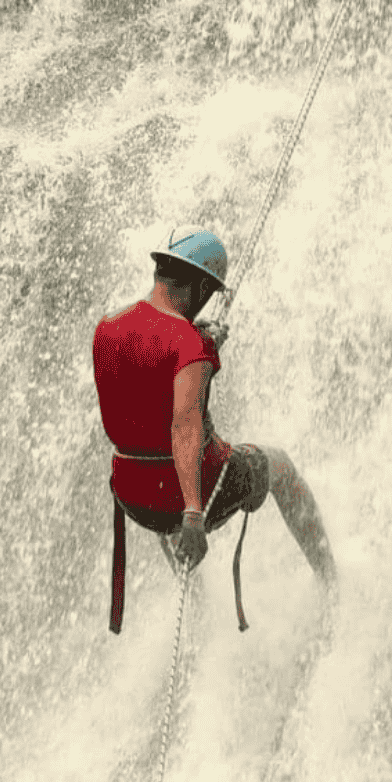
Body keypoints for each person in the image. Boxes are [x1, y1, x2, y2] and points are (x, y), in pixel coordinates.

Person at [92, 225, 337, 633]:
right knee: (279, 465)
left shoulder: (107, 326)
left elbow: (146, 382)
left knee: (157, 482)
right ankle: (331, 583)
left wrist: (199, 346)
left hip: (133, 494)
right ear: (201, 287)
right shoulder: (191, 345)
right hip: (187, 496)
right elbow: (185, 423)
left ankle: (202, 612)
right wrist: (193, 514)